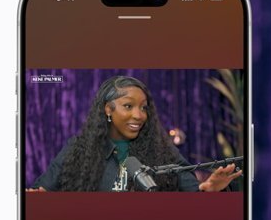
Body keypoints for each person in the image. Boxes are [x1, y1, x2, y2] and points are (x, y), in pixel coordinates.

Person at [28, 75, 241, 192]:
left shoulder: (163, 150)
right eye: (128, 106)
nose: (139, 115)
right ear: (108, 109)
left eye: (143, 108)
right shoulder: (77, 148)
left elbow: (194, 193)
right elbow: (42, 190)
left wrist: (209, 189)